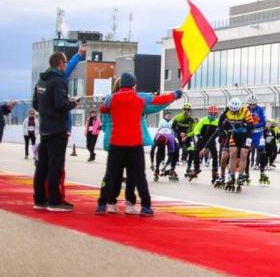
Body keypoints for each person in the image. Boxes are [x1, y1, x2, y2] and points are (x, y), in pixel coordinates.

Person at [96, 72, 182, 216]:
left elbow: (103, 109)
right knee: (138, 175)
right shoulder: (140, 97)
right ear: (133, 84)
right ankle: (145, 207)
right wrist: (175, 94)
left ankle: (102, 204)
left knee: (110, 174)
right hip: (134, 142)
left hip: (116, 142)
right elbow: (160, 100)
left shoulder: (111, 98)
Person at [32, 50, 82, 212]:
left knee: (42, 166)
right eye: (65, 63)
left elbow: (35, 104)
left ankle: (39, 199)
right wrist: (73, 104)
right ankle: (55, 201)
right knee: (55, 166)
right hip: (57, 130)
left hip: (45, 128)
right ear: (60, 64)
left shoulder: (41, 81)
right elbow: (60, 105)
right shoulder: (58, 81)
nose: (66, 65)